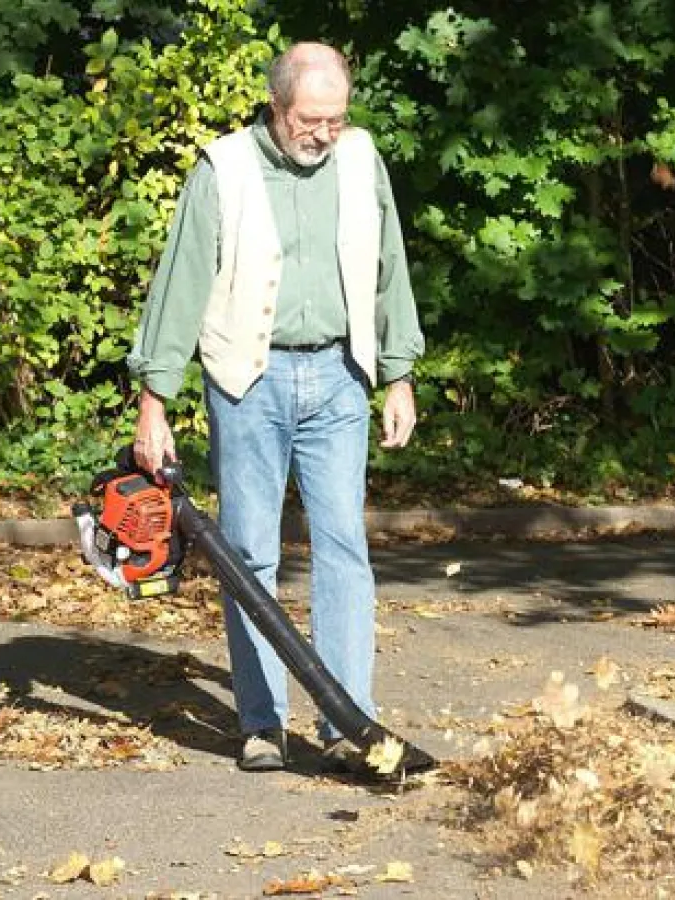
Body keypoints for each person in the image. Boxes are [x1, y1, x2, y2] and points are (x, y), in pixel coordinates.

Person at [127, 42, 424, 775]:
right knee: (249, 554)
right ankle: (262, 724)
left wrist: (398, 374)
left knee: (344, 553)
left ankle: (345, 725)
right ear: (276, 106)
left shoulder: (360, 160)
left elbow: (390, 268)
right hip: (245, 381)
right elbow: (180, 285)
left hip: (337, 378)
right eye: (310, 119)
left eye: (336, 117)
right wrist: (152, 402)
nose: (324, 133)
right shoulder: (222, 168)